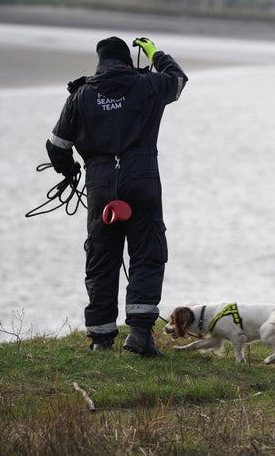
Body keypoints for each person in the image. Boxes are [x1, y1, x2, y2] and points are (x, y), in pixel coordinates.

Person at [45, 36, 187, 356]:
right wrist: (156, 54)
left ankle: (100, 338)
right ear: (128, 61)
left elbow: (56, 147)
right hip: (142, 180)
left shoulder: (81, 95)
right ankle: (139, 335)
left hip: (101, 187)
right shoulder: (146, 84)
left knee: (101, 257)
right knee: (147, 253)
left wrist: (70, 171)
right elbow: (178, 80)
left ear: (99, 63)